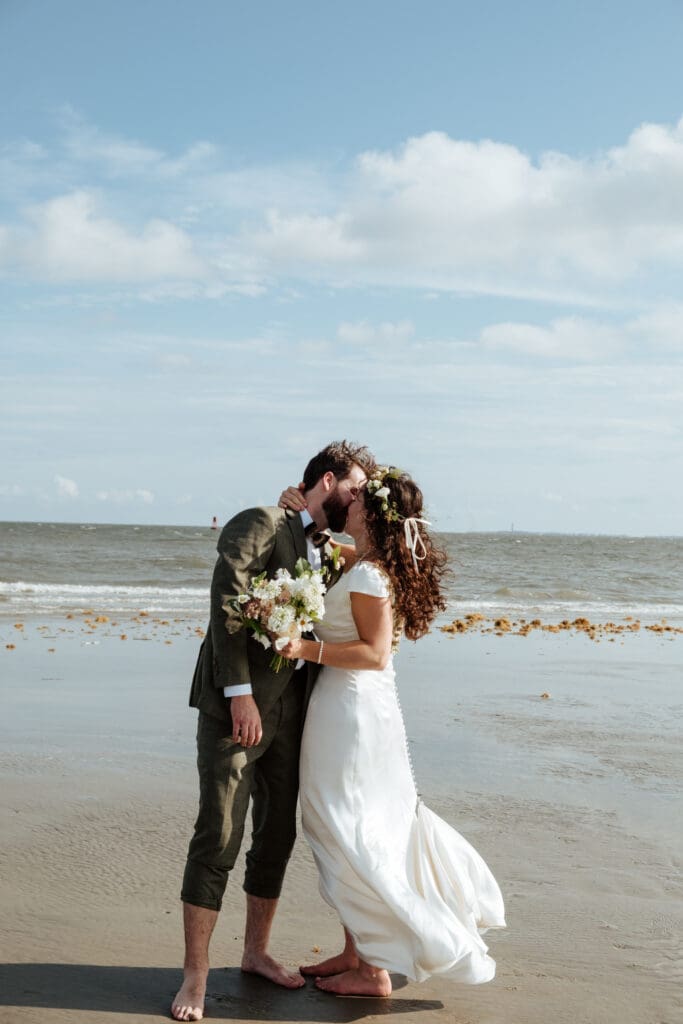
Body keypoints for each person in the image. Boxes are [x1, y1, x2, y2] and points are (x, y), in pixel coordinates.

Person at [279, 466, 506, 996]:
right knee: (358, 823)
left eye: (357, 498)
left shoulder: (370, 576)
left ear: (373, 515)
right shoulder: (369, 564)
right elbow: (329, 552)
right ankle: (360, 950)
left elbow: (375, 654)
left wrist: (302, 647)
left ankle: (373, 971)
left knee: (343, 825)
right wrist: (301, 516)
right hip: (358, 709)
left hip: (352, 712)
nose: (349, 500)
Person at [171, 441, 375, 1022]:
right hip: (238, 710)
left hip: (294, 715)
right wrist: (239, 695)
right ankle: (195, 977)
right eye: (354, 488)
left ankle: (256, 952)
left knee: (277, 836)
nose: (357, 498)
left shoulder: (329, 549)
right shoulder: (264, 521)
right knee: (219, 836)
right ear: (328, 480)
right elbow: (227, 598)